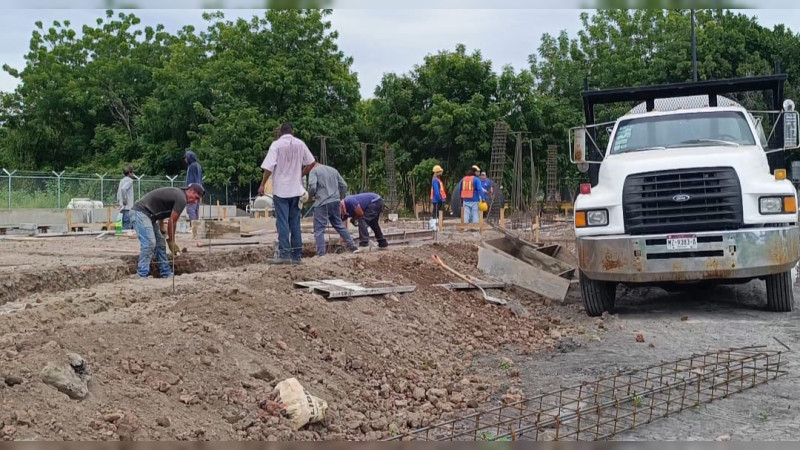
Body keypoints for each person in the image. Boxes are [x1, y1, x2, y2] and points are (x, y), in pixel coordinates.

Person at [258, 122, 315, 265]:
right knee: (295, 222)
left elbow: (269, 168)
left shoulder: (276, 145)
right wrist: (300, 174)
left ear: (280, 132)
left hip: (281, 191)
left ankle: (284, 254)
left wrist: (263, 184)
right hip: (296, 190)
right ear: (292, 131)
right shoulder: (300, 144)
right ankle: (297, 256)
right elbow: (311, 162)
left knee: (282, 222)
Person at [130, 184, 204, 279]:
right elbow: (172, 222)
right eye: (196, 197)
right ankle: (141, 274)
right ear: (191, 191)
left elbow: (162, 209)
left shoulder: (178, 194)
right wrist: (172, 241)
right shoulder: (181, 198)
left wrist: (161, 227)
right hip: (140, 212)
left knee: (160, 243)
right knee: (149, 243)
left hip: (150, 216)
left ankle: (165, 272)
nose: (195, 201)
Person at [305, 161, 358, 256]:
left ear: (309, 164)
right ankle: (352, 246)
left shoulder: (314, 171)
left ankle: (321, 254)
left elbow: (312, 187)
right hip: (335, 202)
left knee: (319, 230)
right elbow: (344, 185)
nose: (306, 170)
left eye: (306, 167)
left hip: (322, 203)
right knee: (339, 225)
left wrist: (309, 197)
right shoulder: (333, 170)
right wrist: (340, 197)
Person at [184, 150, 203, 237]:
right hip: (199, 190)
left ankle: (194, 228)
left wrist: (189, 189)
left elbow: (191, 180)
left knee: (191, 209)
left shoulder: (192, 166)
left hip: (192, 190)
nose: (185, 159)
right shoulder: (198, 165)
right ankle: (196, 227)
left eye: (186, 157)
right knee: (196, 210)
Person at [116, 166, 135, 230]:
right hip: (128, 207)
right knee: (127, 225)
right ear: (129, 172)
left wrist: (119, 201)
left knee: (122, 224)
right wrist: (125, 199)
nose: (133, 174)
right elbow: (123, 189)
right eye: (132, 172)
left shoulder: (122, 180)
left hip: (122, 207)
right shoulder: (130, 180)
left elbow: (118, 193)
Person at [430, 165, 447, 229]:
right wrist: (439, 198)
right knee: (436, 213)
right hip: (437, 200)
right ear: (438, 172)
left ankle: (437, 225)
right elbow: (436, 191)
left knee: (438, 213)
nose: (442, 172)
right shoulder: (435, 180)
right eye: (440, 171)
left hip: (439, 199)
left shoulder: (437, 180)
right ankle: (434, 226)